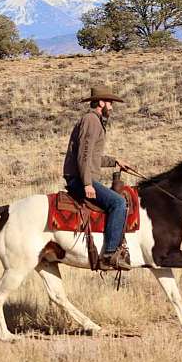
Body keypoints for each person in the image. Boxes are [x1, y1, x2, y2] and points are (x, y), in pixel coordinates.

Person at [62, 85, 131, 270]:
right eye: (110, 102)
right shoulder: (91, 120)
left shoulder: (95, 121)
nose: (112, 107)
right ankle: (109, 255)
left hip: (84, 177)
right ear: (101, 102)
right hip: (80, 179)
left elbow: (92, 157)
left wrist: (115, 161)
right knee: (118, 203)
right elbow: (84, 155)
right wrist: (87, 183)